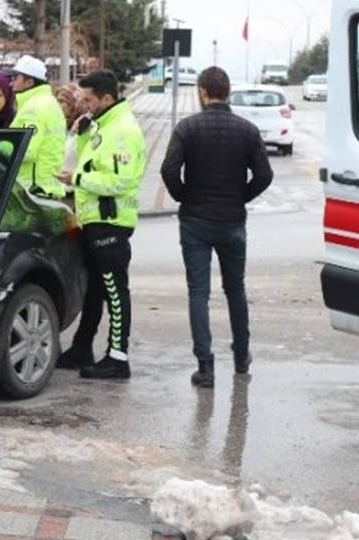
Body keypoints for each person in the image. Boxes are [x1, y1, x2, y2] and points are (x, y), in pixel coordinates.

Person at [160, 66, 273, 388]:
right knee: (235, 289)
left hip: (195, 221)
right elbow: (264, 175)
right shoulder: (247, 130)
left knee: (199, 292)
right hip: (232, 221)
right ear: (228, 92)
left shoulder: (187, 128)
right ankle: (241, 356)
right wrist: (240, 196)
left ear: (202, 92)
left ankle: (205, 366)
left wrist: (185, 196)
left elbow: (169, 170)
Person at [57, 70, 146, 380]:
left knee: (115, 292)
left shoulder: (121, 130)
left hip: (111, 223)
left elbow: (121, 181)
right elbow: (91, 161)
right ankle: (82, 347)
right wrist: (82, 135)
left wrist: (77, 179)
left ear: (107, 98)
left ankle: (118, 358)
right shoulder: (103, 126)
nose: (85, 104)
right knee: (95, 290)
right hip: (94, 220)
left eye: (89, 99)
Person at [5, 54, 66, 197]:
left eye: (15, 78)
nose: (11, 83)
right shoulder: (49, 103)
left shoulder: (34, 108)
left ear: (29, 82)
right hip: (47, 186)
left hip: (32, 189)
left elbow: (25, 151)